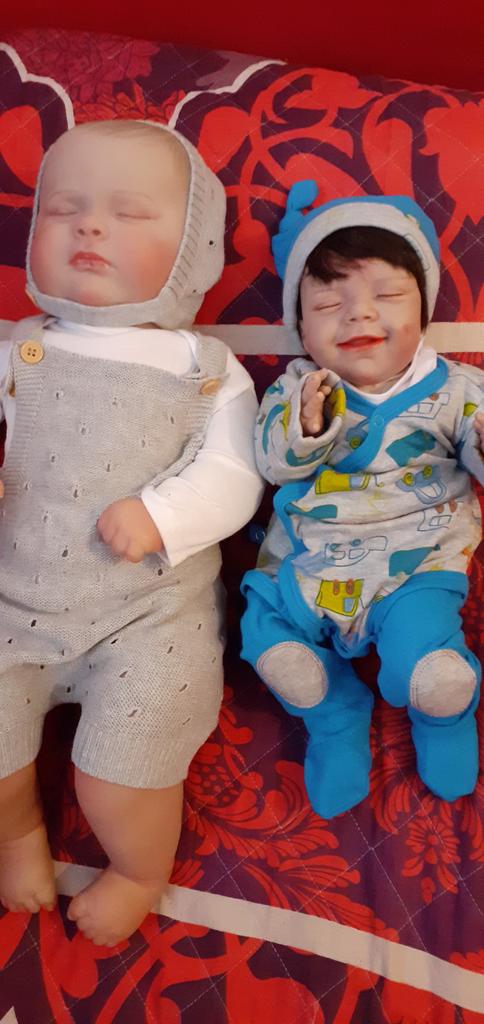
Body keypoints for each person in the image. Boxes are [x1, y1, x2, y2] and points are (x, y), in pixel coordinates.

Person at [0, 119, 263, 945]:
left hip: (149, 618)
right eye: (64, 209)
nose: (89, 227)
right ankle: (18, 831)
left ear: (192, 252)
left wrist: (163, 515)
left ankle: (137, 870)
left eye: (128, 213)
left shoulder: (206, 370)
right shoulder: (18, 350)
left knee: (126, 768)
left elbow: (236, 475)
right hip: (13, 603)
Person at [241, 180, 484, 819]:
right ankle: (333, 713)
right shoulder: (296, 389)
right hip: (307, 565)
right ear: (301, 328)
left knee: (429, 660)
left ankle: (444, 715)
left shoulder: (459, 389)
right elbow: (271, 462)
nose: (358, 314)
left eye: (388, 295)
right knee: (269, 640)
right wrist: (307, 427)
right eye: (328, 302)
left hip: (416, 565)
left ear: (423, 312)